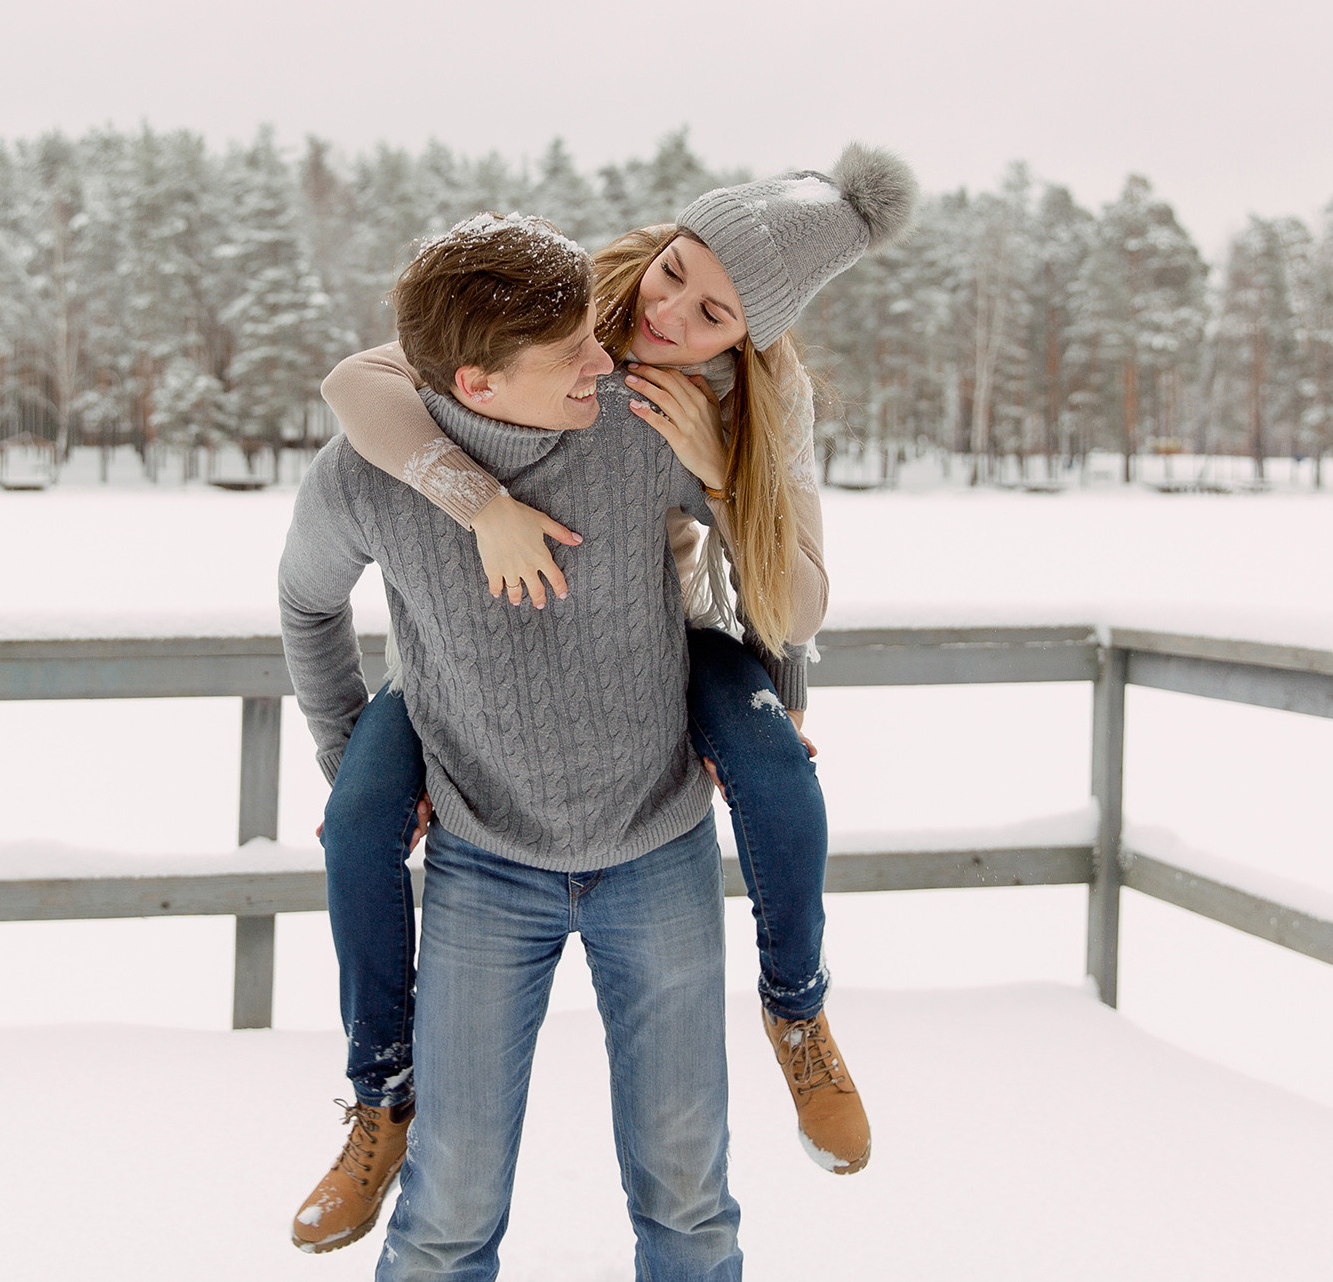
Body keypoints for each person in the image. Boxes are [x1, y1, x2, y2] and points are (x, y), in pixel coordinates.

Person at [297, 147, 918, 1247]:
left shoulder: (743, 404)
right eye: (674, 268)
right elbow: (362, 383)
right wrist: (472, 498)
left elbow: (781, 593)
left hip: (668, 653)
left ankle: (799, 1009)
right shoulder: (560, 302)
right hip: (480, 756)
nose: (666, 312)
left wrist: (726, 477)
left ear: (749, 338)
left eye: (714, 308)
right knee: (357, 812)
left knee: (775, 766)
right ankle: (379, 1092)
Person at [278, 214, 739, 1278]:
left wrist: (760, 687)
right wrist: (354, 755)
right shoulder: (362, 478)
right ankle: (377, 1100)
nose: (608, 355)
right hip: (485, 865)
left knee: (688, 1201)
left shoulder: (638, 424)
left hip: (656, 846)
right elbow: (306, 606)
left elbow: (762, 553)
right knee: (446, 1211)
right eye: (575, 349)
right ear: (477, 384)